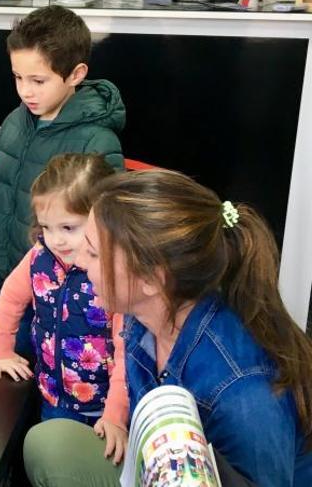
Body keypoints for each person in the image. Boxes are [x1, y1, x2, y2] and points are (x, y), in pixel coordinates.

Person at [39, 169, 312, 486]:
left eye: (95, 253)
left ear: (151, 280)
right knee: (49, 443)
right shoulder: (143, 313)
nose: (80, 262)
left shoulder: (243, 394)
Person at [0, 154, 128, 479]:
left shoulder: (113, 273)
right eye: (47, 227)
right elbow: (9, 299)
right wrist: (2, 350)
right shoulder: (39, 257)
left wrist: (116, 415)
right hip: (54, 397)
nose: (56, 239)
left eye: (69, 227)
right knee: (52, 465)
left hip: (106, 407)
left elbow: (127, 353)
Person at [0, 5, 126, 283]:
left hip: (59, 287)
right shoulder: (14, 121)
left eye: (38, 80)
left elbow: (108, 225)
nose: (25, 91)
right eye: (18, 77)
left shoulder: (97, 141)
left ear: (76, 75)